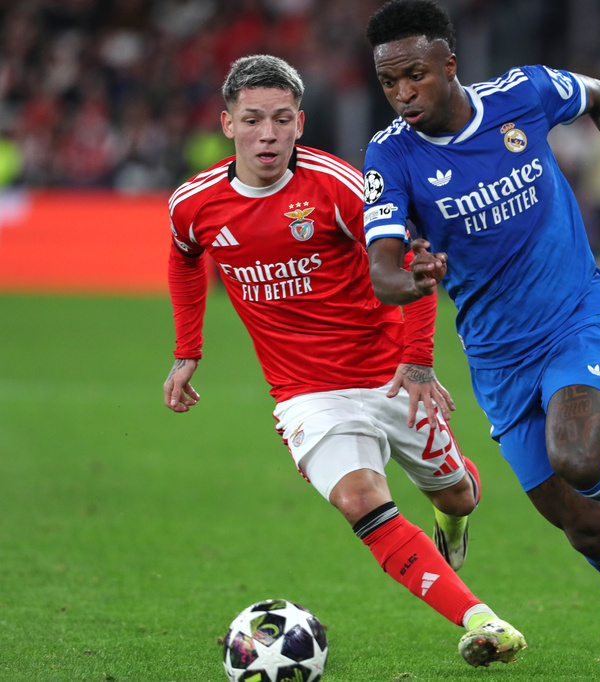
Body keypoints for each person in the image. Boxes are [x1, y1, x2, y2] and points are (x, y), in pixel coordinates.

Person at [362, 2, 600, 677]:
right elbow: (383, 270)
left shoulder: (519, 96)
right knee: (582, 524)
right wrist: (412, 276)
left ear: (449, 64)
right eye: (390, 83)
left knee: (578, 457)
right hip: (498, 357)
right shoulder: (392, 154)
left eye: (415, 75)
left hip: (576, 315)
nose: (403, 93)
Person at [161, 54, 526, 668]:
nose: (268, 134)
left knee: (459, 495)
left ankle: (451, 515)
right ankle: (484, 621)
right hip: (305, 394)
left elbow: (414, 260)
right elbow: (184, 258)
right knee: (362, 499)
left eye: (281, 119)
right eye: (252, 120)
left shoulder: (339, 186)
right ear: (228, 124)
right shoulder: (194, 204)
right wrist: (187, 350)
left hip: (388, 375)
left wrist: (417, 361)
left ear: (301, 123)